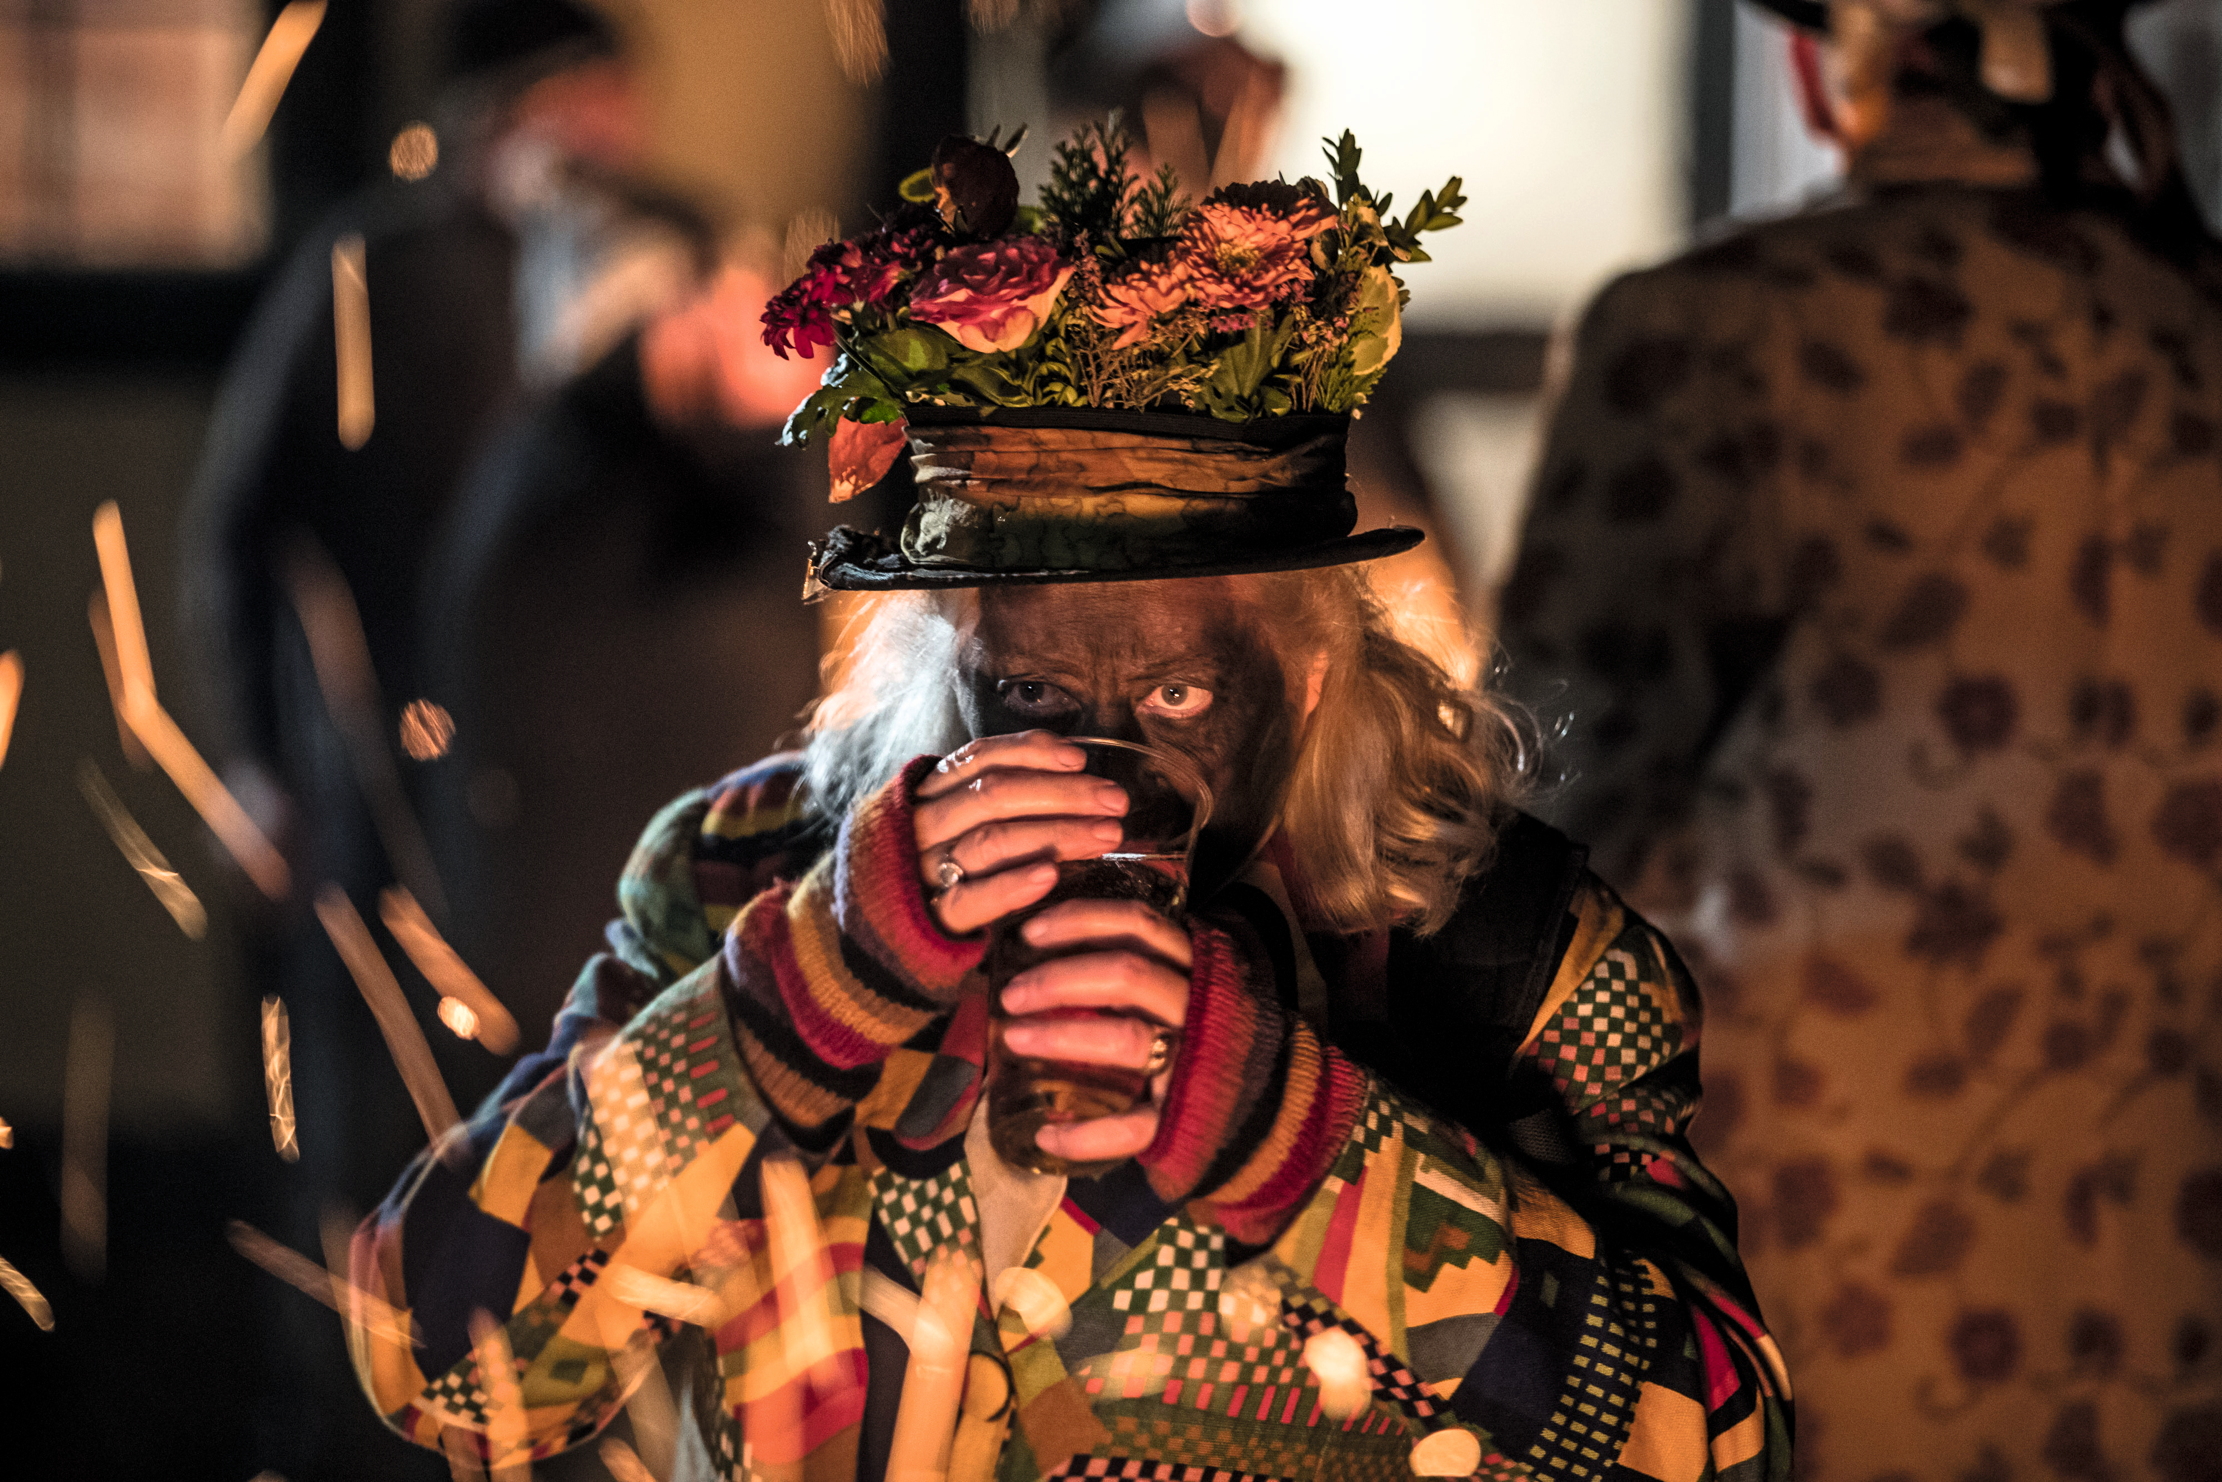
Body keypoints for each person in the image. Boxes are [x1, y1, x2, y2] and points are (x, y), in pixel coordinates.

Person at [350, 123, 1788, 1479]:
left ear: (1305, 666)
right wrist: (798, 1002)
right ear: (937, 644)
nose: (1096, 778)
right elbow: (445, 1372)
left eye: (1171, 698)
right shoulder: (752, 877)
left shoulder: (1498, 943)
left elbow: (1722, 1446)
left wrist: (1292, 1133)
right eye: (1031, 699)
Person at [1496, 2, 2222, 1475]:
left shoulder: (1708, 328)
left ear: (1822, 69)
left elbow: (1542, 820)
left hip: (1832, 1219)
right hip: (2173, 1215)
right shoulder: (2192, 318)